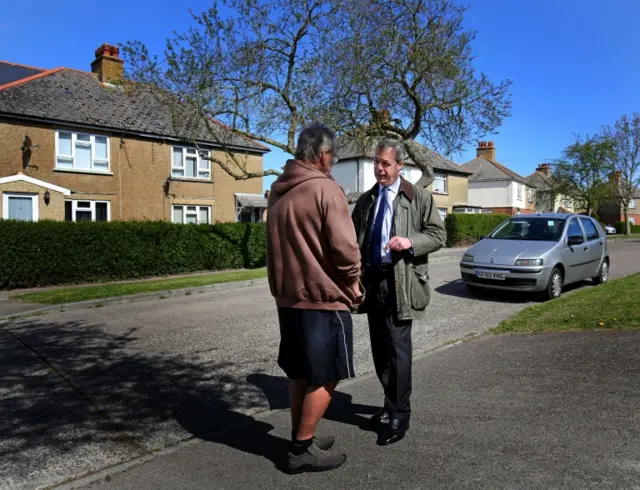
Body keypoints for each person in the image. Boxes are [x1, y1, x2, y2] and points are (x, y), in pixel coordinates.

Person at [266, 123, 363, 473]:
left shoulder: (277, 191)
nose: (333, 162)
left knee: (300, 372)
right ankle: (300, 448)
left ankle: (300, 436)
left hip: (288, 298)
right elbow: (346, 249)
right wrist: (353, 283)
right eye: (333, 156)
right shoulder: (327, 189)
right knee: (328, 373)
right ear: (323, 155)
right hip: (323, 298)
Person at [352, 138, 446, 446]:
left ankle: (399, 414)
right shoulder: (367, 200)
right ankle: (388, 404)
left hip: (401, 280)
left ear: (400, 165)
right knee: (380, 349)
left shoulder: (417, 197)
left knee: (398, 351)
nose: (380, 168)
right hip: (373, 282)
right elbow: (355, 240)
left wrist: (409, 242)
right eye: (377, 162)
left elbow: (437, 235)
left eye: (386, 163)